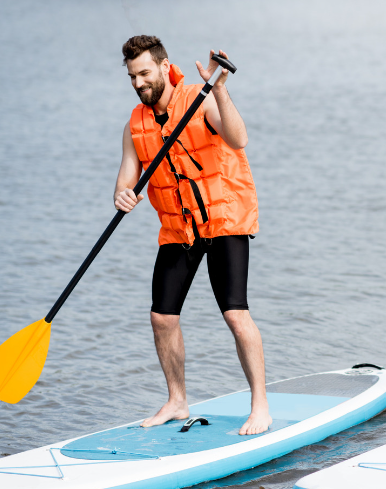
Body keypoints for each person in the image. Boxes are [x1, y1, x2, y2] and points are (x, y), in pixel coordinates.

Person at [113, 35, 271, 435]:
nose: (138, 83)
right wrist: (122, 195)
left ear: (165, 67)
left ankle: (261, 406)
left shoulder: (200, 99)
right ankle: (177, 400)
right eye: (132, 76)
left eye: (145, 73)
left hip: (223, 220)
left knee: (236, 314)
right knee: (161, 317)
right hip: (178, 228)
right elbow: (126, 179)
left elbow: (239, 139)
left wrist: (219, 90)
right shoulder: (135, 124)